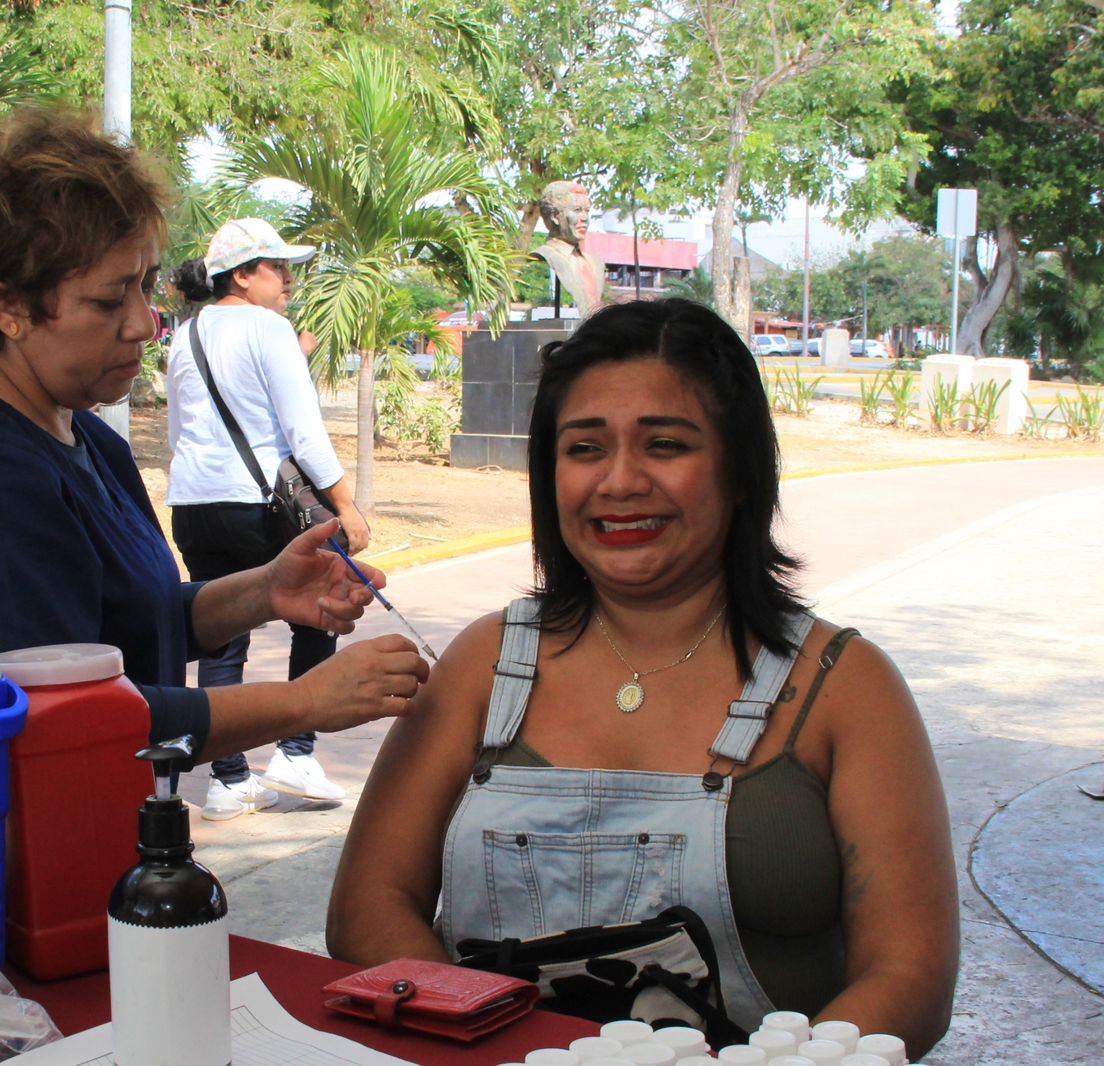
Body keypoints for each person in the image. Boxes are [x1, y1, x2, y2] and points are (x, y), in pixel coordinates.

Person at [326, 298, 958, 1059]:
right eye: (584, 449)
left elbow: (912, 975)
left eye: (665, 444)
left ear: (739, 471)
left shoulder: (847, 689)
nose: (620, 482)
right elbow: (367, 910)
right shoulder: (481, 666)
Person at [0, 108, 428, 773]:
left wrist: (265, 590)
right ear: (6, 307)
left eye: (147, 285)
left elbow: (129, 626)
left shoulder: (81, 433)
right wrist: (302, 702)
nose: (143, 322)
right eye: (108, 301)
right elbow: (78, 721)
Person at [166, 219, 372, 820]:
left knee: (222, 636)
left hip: (195, 502)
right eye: (276, 266)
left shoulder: (187, 334)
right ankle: (295, 750)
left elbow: (180, 431)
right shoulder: (269, 328)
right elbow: (303, 431)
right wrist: (345, 506)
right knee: (322, 605)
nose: (288, 278)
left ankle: (228, 781)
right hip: (261, 503)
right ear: (240, 275)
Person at [530, 180, 606, 319]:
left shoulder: (595, 262)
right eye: (577, 210)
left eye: (587, 211)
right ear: (555, 217)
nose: (585, 218)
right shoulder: (545, 256)